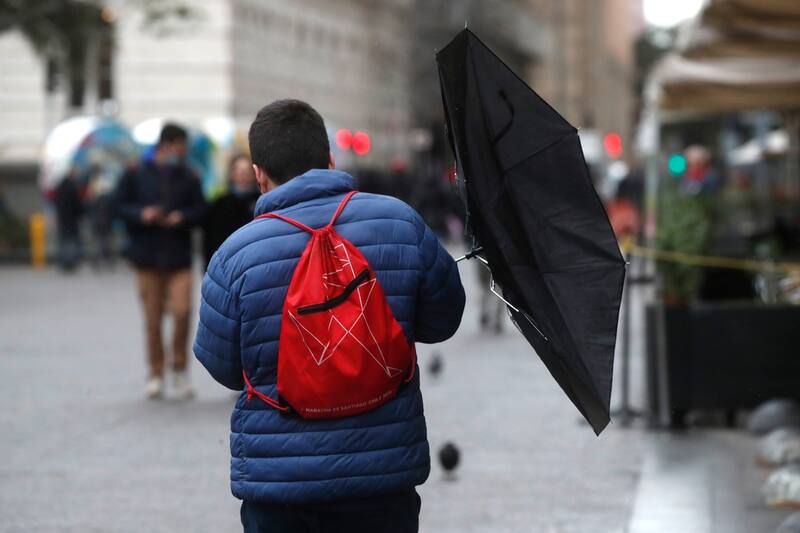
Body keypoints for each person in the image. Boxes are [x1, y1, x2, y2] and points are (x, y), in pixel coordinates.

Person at [194, 99, 465, 533]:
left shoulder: (235, 254)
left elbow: (223, 366)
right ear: (331, 159)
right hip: (381, 471)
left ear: (259, 174)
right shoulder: (400, 222)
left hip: (280, 480)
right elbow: (443, 320)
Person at [115, 123, 207, 400]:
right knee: (152, 319)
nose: (184, 151)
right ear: (167, 144)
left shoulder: (189, 176)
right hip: (147, 257)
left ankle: (179, 369)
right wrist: (142, 214)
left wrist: (183, 217)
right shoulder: (135, 173)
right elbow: (118, 206)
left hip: (179, 257)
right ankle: (156, 373)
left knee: (182, 312)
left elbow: (201, 210)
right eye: (181, 146)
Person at [201, 154, 260, 269]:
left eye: (247, 171)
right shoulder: (219, 204)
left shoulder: (261, 201)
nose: (243, 175)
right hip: (226, 265)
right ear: (232, 174)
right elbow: (210, 241)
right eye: (239, 171)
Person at [53, 170, 85, 272]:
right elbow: (77, 203)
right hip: (72, 219)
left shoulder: (60, 186)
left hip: (62, 218)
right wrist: (81, 213)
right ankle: (70, 262)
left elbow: (57, 202)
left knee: (63, 240)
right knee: (71, 240)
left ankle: (63, 262)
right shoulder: (72, 187)